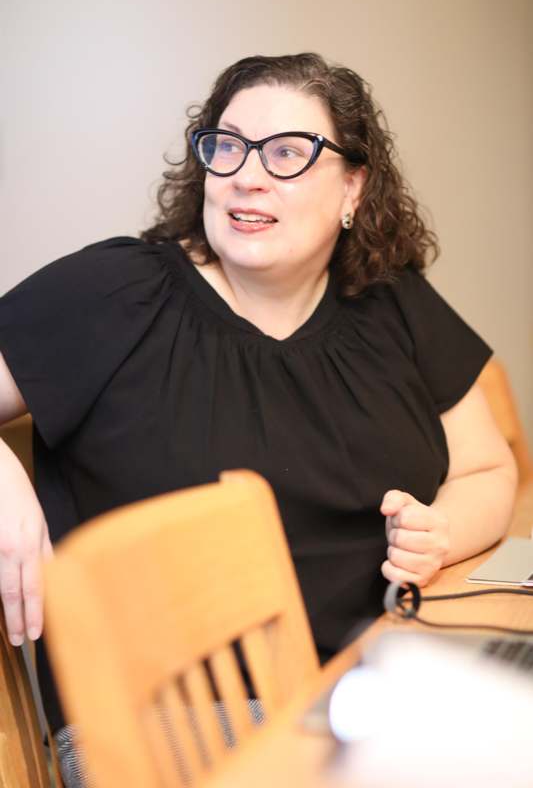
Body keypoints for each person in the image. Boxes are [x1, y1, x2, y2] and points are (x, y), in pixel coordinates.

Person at [0, 53, 517, 786]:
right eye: (228, 146)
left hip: (373, 680)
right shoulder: (115, 292)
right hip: (170, 721)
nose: (246, 174)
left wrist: (441, 535)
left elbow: (488, 468)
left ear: (353, 186)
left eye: (286, 154)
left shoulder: (391, 301)